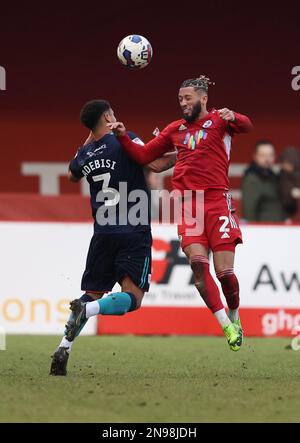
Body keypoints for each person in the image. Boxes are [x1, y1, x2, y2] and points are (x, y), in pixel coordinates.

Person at [108, 75, 253, 351]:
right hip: (188, 204)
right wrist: (123, 136)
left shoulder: (221, 121)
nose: (183, 103)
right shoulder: (175, 130)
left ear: (203, 98)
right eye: (180, 99)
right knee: (198, 264)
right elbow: (144, 156)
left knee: (225, 274)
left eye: (187, 98)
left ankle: (234, 316)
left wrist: (234, 114)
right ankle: (225, 326)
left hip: (218, 201)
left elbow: (247, 126)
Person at [50, 99, 175, 376]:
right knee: (133, 297)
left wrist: (91, 138)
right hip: (133, 230)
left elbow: (71, 175)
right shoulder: (126, 139)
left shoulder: (85, 154)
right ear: (108, 117)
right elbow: (154, 164)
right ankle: (91, 310)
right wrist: (185, 152)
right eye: (112, 114)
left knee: (90, 292)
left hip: (102, 233)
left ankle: (64, 347)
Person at [242, 140, 285, 221]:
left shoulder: (273, 176)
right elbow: (249, 211)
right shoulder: (252, 178)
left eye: (270, 155)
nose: (267, 159)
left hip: (276, 229)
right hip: (263, 230)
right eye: (263, 155)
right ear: (255, 156)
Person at [279, 146, 300, 220]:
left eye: (288, 162)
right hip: (285, 215)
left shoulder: (298, 175)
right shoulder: (282, 175)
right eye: (283, 162)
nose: (285, 165)